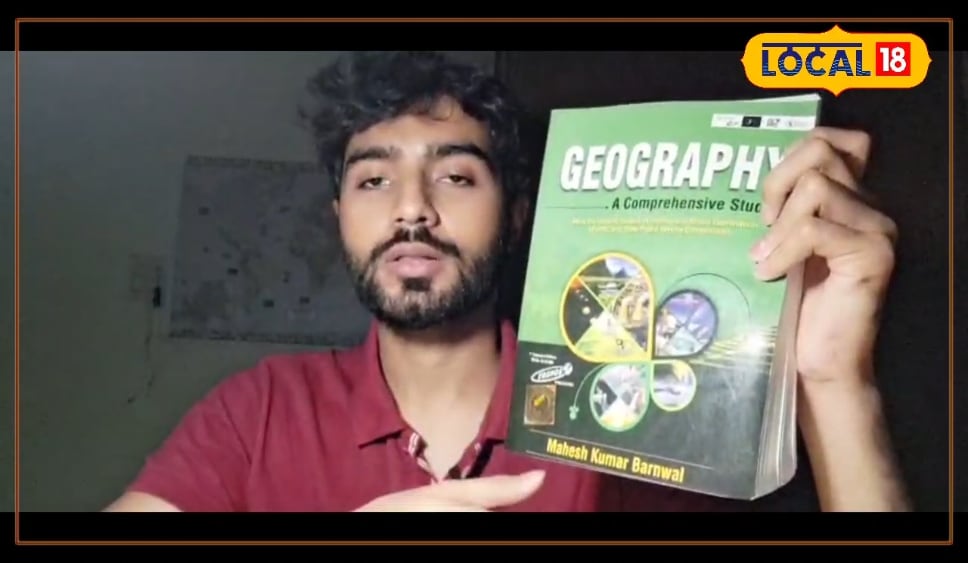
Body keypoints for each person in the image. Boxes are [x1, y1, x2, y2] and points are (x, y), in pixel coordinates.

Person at [105, 51, 911, 512]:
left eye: (455, 176)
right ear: (339, 217)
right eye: (374, 180)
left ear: (519, 216)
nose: (411, 209)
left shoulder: (640, 408)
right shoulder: (255, 412)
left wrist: (836, 381)